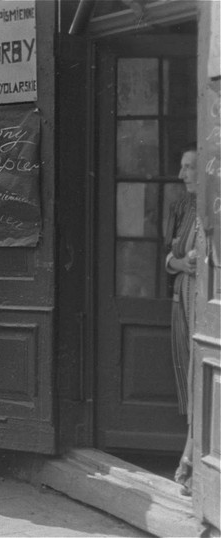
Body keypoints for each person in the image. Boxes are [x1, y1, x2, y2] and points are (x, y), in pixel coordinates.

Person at [165, 145, 199, 497]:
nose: (182, 174)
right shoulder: (185, 207)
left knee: (198, 380)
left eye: (189, 167)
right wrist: (179, 263)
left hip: (201, 304)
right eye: (182, 166)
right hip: (181, 301)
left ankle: (189, 459)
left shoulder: (211, 212)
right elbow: (169, 257)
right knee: (188, 378)